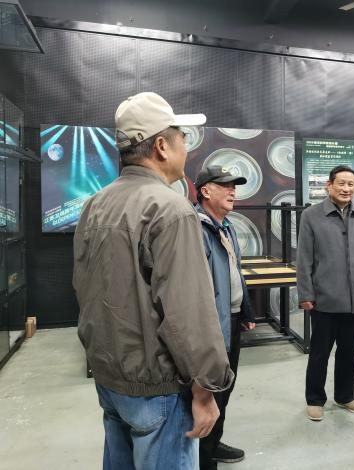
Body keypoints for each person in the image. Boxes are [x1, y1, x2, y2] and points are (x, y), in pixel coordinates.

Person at [73, 92, 234, 470]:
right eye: (182, 137)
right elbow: (188, 313)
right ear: (161, 146)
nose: (186, 147)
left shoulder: (95, 204)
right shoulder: (170, 209)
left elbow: (84, 288)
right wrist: (205, 388)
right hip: (158, 388)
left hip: (111, 379)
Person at [297, 165, 354, 421]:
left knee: (349, 353)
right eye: (341, 183)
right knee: (320, 353)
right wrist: (306, 293)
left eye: (351, 184)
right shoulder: (312, 216)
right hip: (324, 299)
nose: (346, 188)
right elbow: (304, 258)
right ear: (329, 185)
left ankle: (345, 396)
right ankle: (315, 399)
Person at [194, 166, 257, 470]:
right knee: (209, 392)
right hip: (210, 327)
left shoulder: (226, 226)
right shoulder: (195, 228)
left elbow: (234, 273)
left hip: (230, 320)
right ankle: (202, 458)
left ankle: (212, 443)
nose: (233, 191)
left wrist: (245, 310)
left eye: (234, 186)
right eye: (225, 185)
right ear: (205, 191)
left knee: (225, 389)